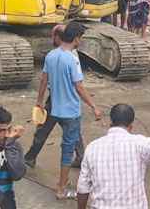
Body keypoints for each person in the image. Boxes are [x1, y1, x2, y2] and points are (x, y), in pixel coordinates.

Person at [35, 21, 101, 199]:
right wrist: (93, 106)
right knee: (67, 151)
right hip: (71, 112)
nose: (81, 41)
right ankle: (61, 189)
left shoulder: (51, 55)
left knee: (66, 141)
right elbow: (79, 87)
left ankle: (65, 176)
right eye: (81, 38)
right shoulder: (72, 59)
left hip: (55, 109)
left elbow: (43, 80)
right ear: (76, 38)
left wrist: (39, 101)